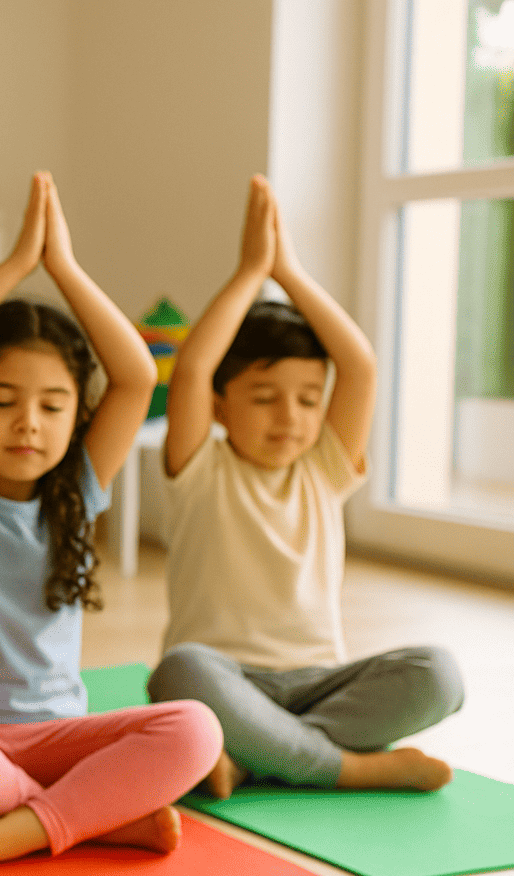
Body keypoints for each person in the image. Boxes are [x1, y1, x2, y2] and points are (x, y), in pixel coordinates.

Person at [0, 172, 223, 875]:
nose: (29, 421)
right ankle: (90, 816)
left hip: (57, 733)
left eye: (53, 405)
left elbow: (136, 377)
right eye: (3, 400)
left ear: (75, 418)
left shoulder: (79, 489)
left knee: (196, 727)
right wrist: (14, 267)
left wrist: (63, 267)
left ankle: (12, 831)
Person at [148, 174, 463, 799]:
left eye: (308, 400)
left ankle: (257, 756)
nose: (290, 417)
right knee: (177, 674)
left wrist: (288, 271)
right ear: (218, 405)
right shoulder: (200, 468)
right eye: (264, 398)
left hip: (320, 680)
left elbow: (360, 365)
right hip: (224, 676)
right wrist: (248, 274)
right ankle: (344, 768)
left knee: (440, 675)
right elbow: (191, 369)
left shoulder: (323, 469)